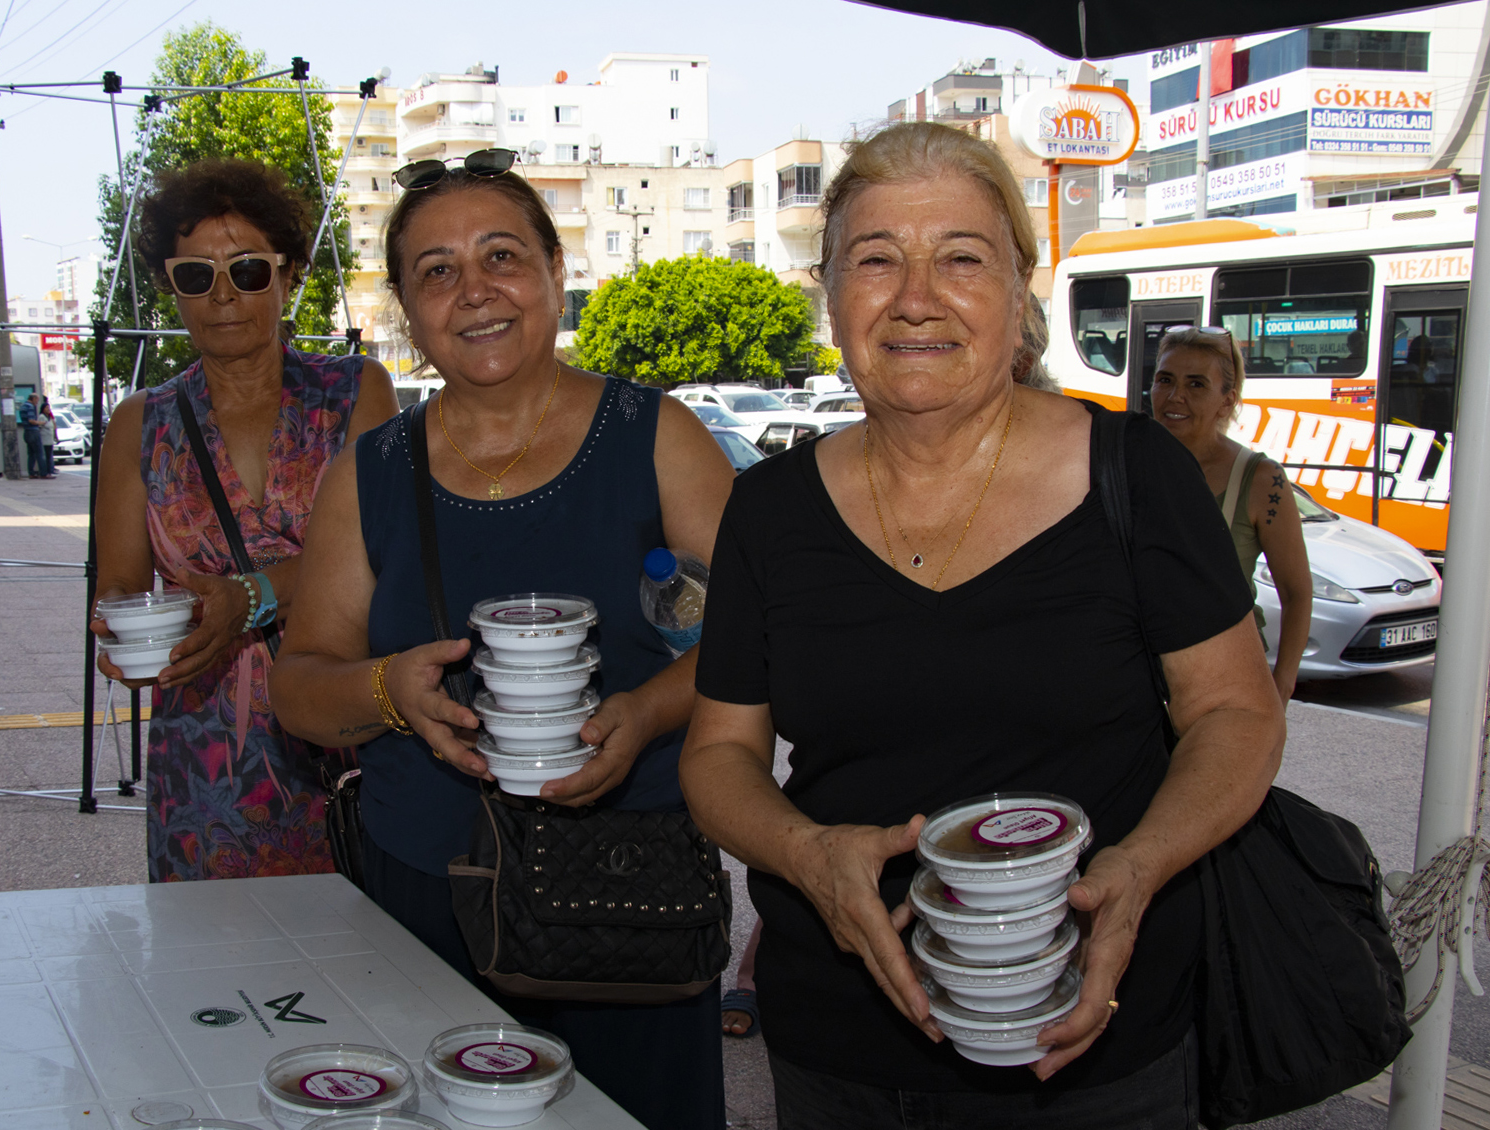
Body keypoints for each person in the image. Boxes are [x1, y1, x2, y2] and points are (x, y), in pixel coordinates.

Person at [679, 121, 1286, 1127]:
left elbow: (1238, 713)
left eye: (961, 257)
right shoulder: (770, 509)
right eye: (876, 260)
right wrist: (805, 852)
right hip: (842, 1043)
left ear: (1018, 294)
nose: (916, 295)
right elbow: (718, 752)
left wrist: (1136, 869)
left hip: (1093, 1040)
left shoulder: (1138, 477)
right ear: (830, 296)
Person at [269, 149, 734, 1130]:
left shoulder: (659, 438)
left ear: (556, 272)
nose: (473, 290)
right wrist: (390, 692)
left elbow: (759, 633)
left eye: (501, 255)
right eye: (435, 270)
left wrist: (646, 712)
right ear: (405, 304)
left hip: (629, 899)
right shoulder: (369, 474)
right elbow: (299, 682)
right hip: (425, 900)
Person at [90, 157, 399, 882]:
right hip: (204, 764)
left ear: (288, 275)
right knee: (215, 975)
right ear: (171, 288)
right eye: (194, 275)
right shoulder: (140, 424)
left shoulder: (356, 391)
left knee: (370, 964)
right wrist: (131, 636)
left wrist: (250, 599)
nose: (223, 294)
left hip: (342, 729)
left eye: (249, 271)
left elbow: (382, 554)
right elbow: (120, 584)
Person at [1152, 326, 1311, 700]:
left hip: (1225, 683)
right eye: (1165, 380)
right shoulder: (1127, 461)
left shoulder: (1260, 479)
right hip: (1140, 680)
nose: (1175, 396)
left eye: (1196, 385)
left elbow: (1297, 591)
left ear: (1227, 401)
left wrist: (1281, 687)